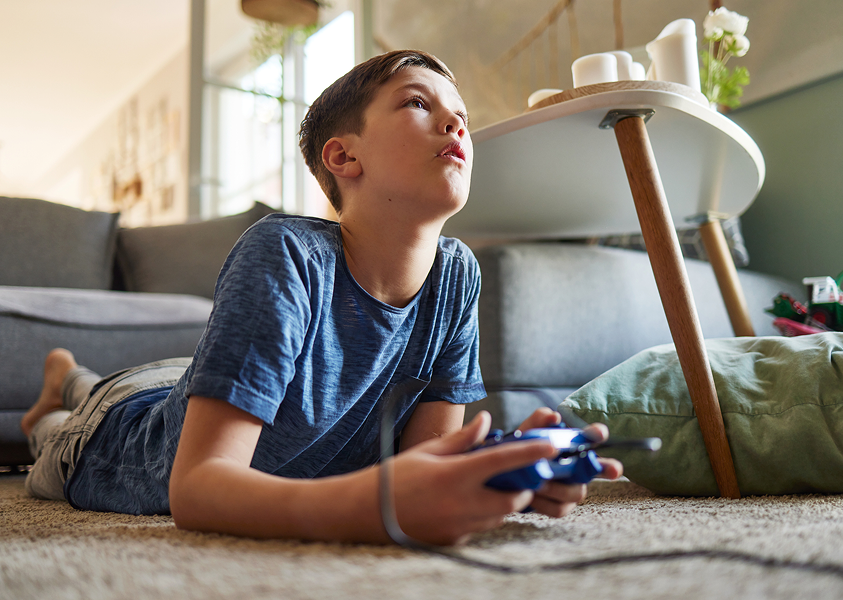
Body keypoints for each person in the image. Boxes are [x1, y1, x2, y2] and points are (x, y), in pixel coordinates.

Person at [21, 50, 623, 546]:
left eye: (460, 114)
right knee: (56, 431)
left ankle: (72, 376)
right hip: (117, 434)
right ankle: (62, 390)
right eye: (419, 102)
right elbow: (197, 488)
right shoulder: (283, 252)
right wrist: (380, 505)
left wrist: (495, 475)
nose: (456, 123)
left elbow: (424, 464)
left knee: (144, 385)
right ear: (343, 156)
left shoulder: (457, 274)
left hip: (186, 387)